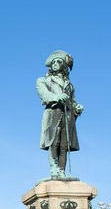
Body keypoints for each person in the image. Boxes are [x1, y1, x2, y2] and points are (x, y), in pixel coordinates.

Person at [36, 50, 84, 178]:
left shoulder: (70, 85)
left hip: (68, 116)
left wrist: (76, 108)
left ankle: (62, 171)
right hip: (53, 113)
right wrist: (57, 97)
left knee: (64, 145)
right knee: (54, 142)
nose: (56, 63)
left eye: (59, 61)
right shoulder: (43, 80)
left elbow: (72, 101)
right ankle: (54, 168)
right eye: (54, 61)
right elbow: (44, 94)